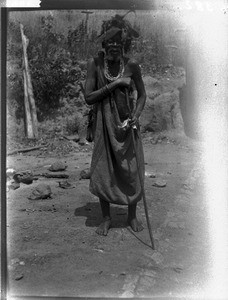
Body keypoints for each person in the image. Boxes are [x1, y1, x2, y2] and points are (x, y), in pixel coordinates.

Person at [84, 14, 146, 236]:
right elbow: (89, 97)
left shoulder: (132, 65)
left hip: (127, 125)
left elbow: (142, 95)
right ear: (103, 45)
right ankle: (107, 218)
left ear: (124, 45)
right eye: (109, 43)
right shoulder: (95, 64)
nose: (113, 47)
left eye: (118, 44)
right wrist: (117, 83)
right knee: (104, 170)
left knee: (131, 169)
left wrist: (136, 116)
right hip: (103, 124)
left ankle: (132, 216)